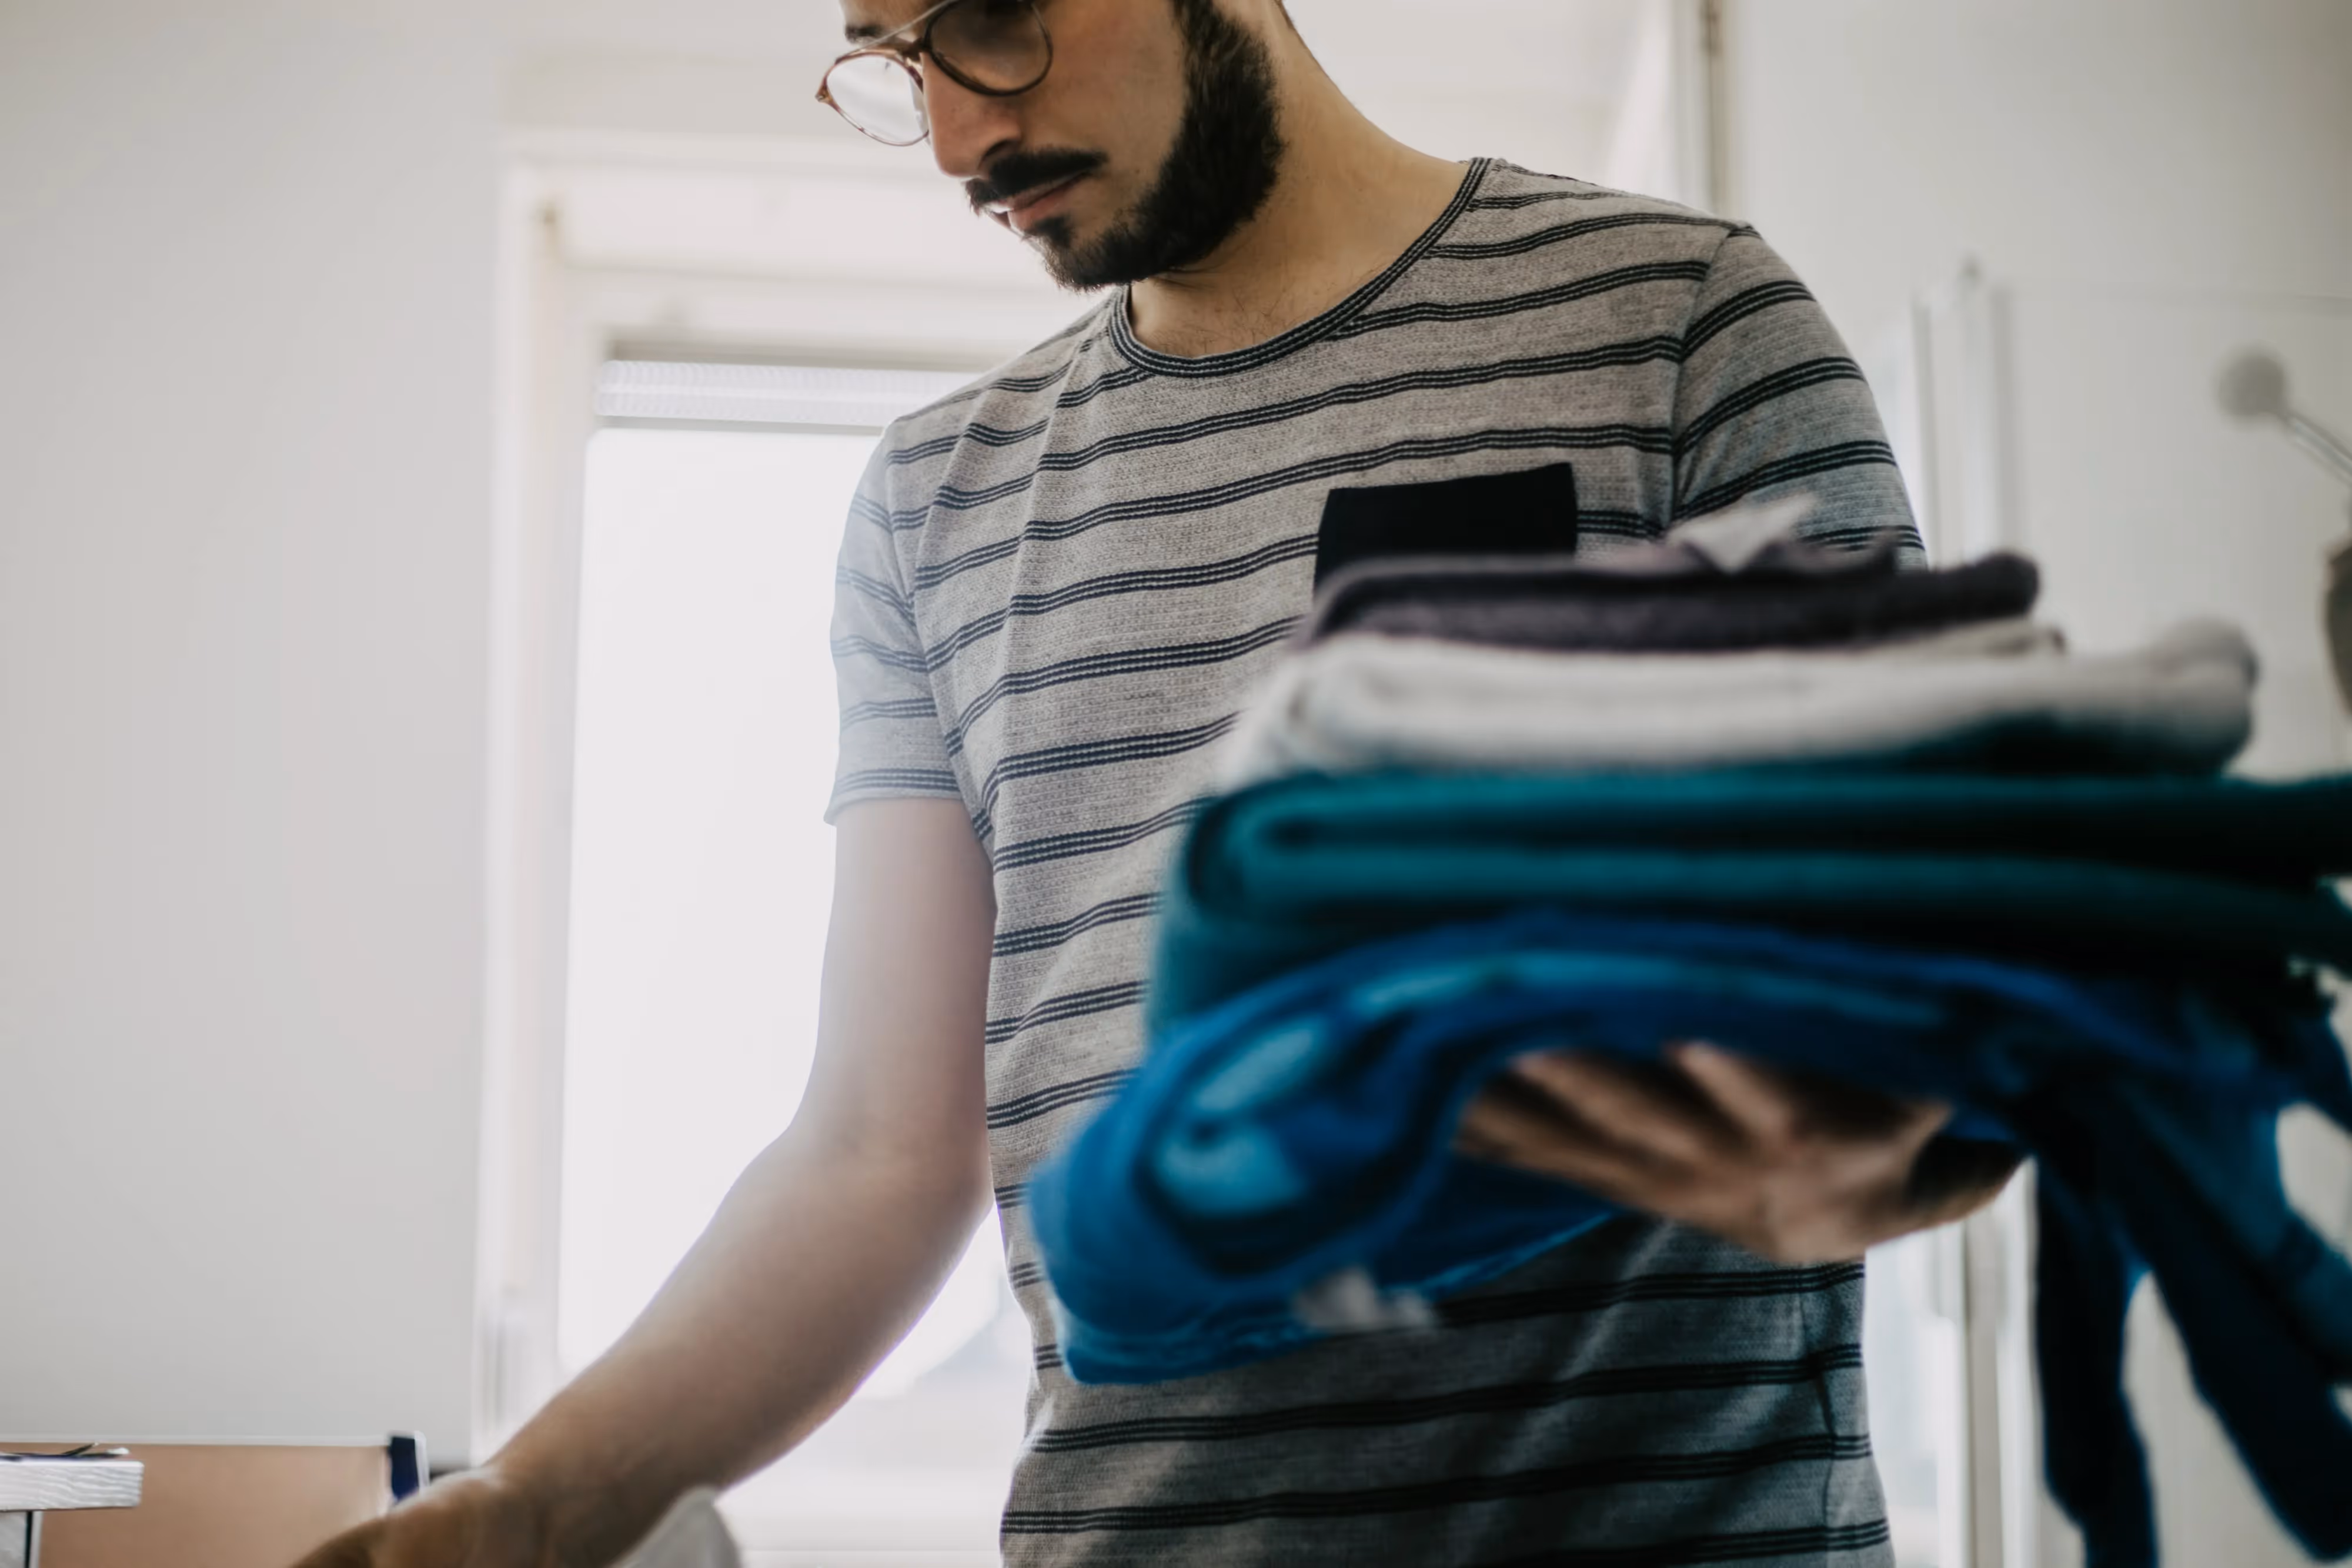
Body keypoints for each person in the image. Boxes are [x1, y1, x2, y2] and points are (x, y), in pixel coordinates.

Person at [298, 2, 2019, 1563]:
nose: (964, 137)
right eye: (898, 60)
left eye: (990, 21)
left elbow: (1905, 981)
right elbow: (880, 1153)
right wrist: (518, 1515)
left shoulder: (1682, 326)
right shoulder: (931, 504)